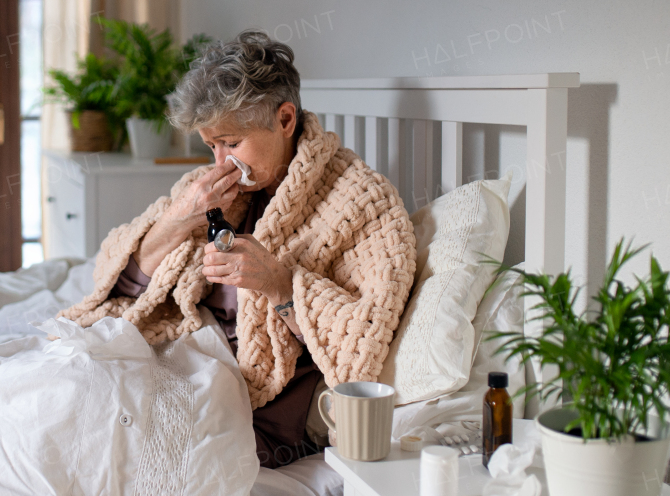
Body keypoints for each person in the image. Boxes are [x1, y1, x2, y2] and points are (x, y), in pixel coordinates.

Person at [59, 30, 416, 468]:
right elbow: (116, 283)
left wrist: (279, 284)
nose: (220, 164)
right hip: (179, 360)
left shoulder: (361, 201)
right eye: (211, 146)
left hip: (257, 405)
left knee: (113, 454)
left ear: (285, 120)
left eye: (232, 142)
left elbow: (359, 345)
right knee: (64, 398)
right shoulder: (203, 190)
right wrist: (176, 222)